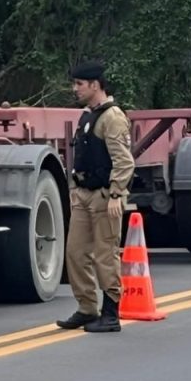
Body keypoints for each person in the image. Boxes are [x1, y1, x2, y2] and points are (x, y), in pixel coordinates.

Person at [56, 61, 136, 333]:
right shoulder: (87, 115)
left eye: (79, 84)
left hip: (104, 196)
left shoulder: (112, 116)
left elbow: (123, 161)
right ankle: (87, 308)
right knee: (76, 254)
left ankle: (111, 313)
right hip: (83, 194)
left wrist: (116, 193)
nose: (74, 89)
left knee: (105, 255)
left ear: (95, 85)